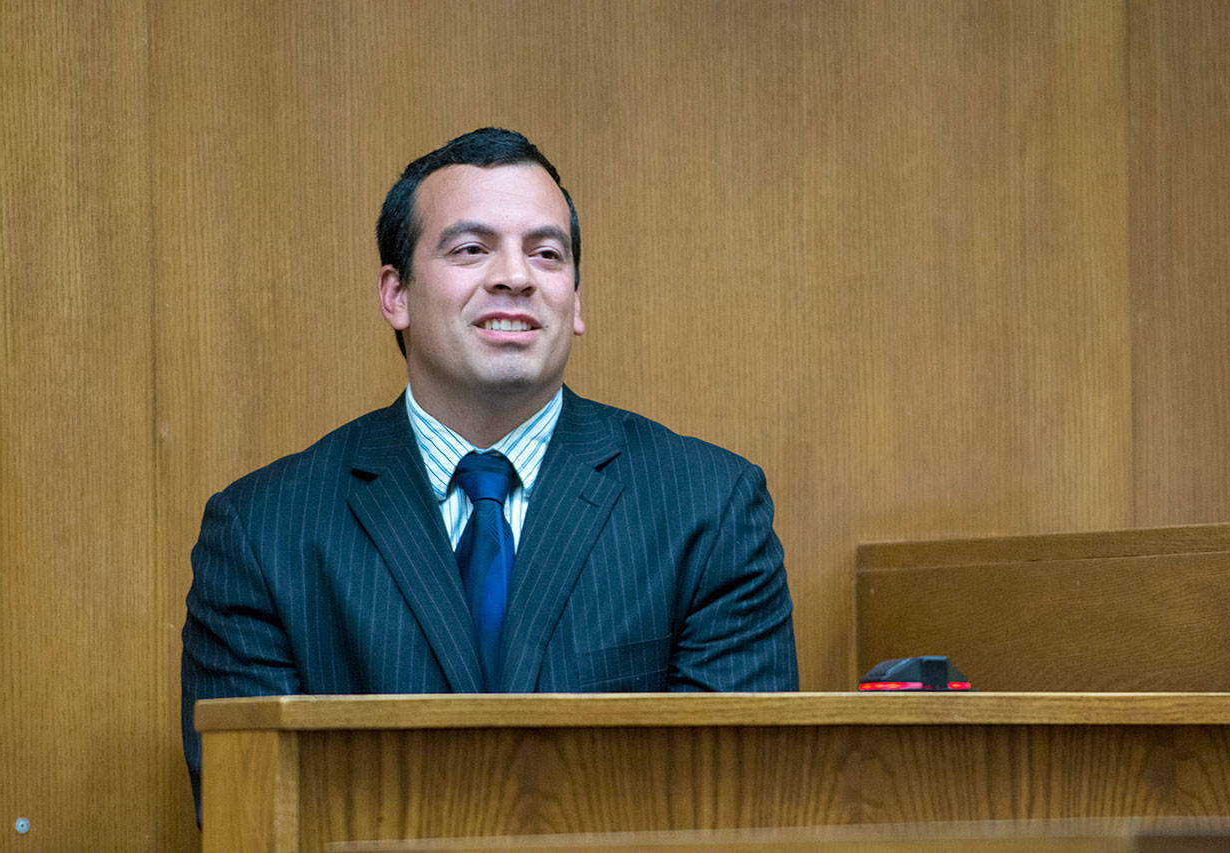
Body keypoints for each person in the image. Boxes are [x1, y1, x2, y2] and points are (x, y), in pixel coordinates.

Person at [181, 127, 798, 816]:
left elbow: (736, 804)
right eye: (472, 249)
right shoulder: (264, 532)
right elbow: (258, 810)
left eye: (546, 252)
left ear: (576, 297)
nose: (516, 275)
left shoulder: (709, 509)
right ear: (396, 294)